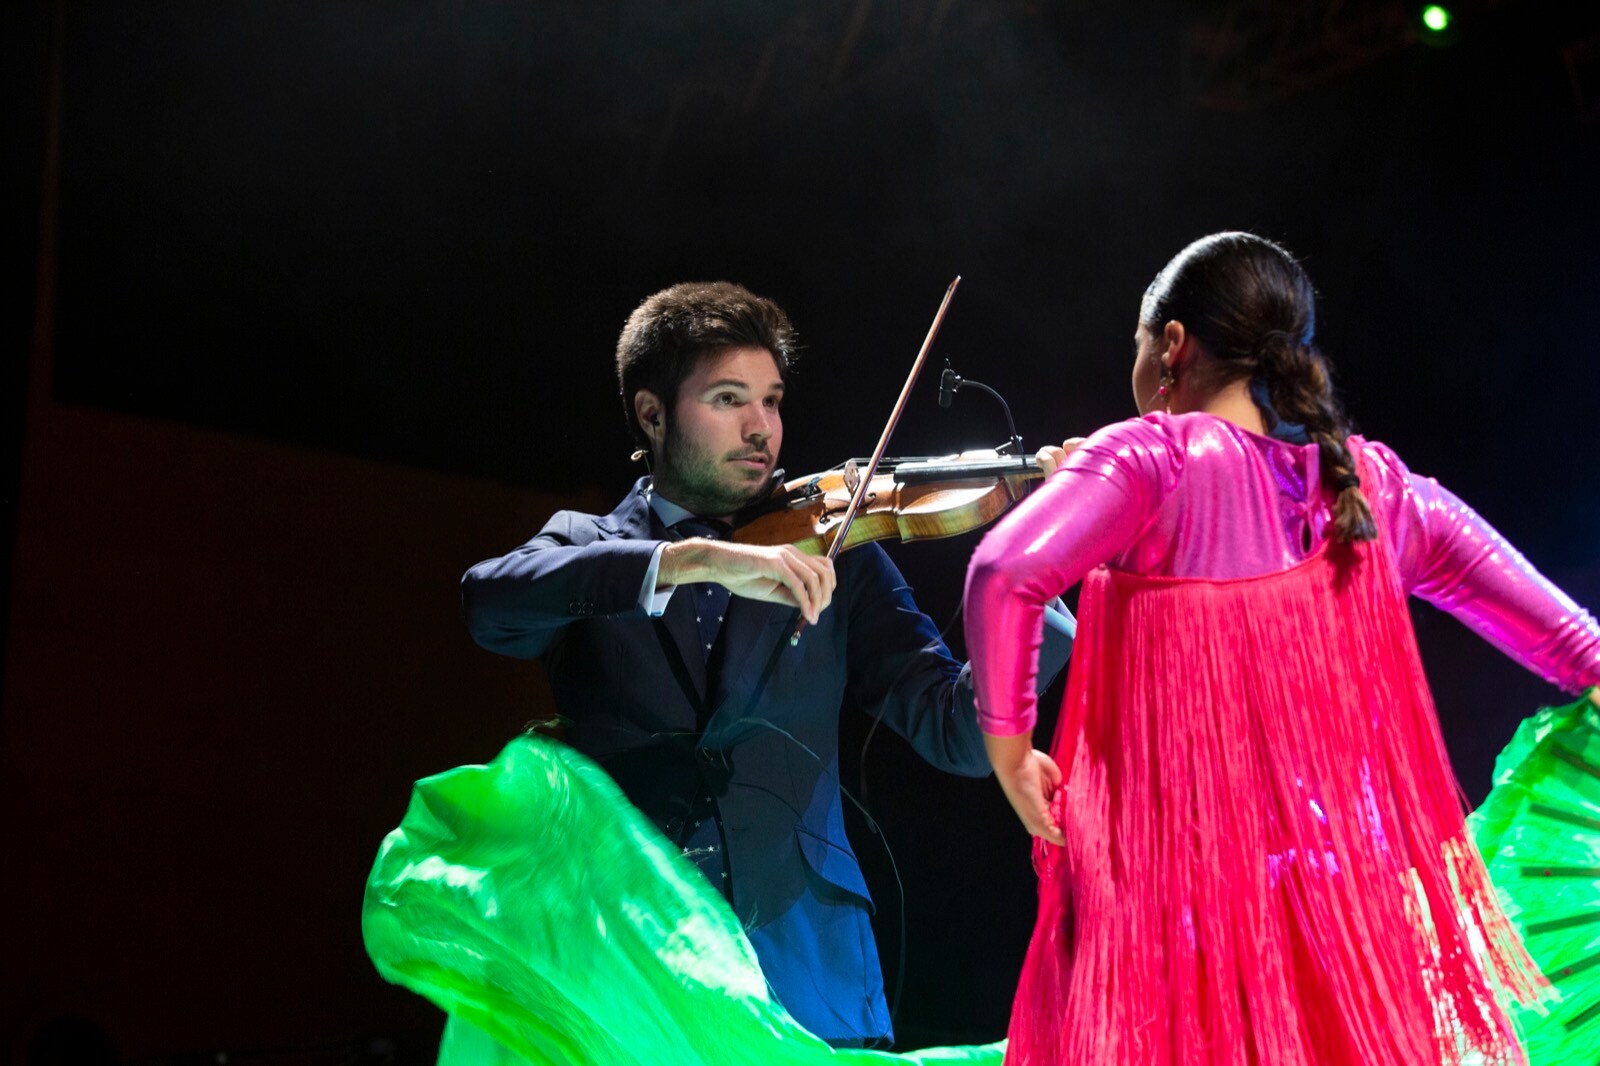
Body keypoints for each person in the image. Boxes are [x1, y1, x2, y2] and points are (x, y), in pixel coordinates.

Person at [963, 232, 1600, 1064]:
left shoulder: (1152, 457)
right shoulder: (1368, 488)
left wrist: (1010, 754)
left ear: (1172, 347)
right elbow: (1575, 644)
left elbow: (1004, 572)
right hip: (1341, 917)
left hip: (1181, 926)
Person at [459, 280, 1075, 1048]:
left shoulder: (834, 548)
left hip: (805, 962)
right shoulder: (591, 547)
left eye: (773, 401)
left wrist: (1042, 579)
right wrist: (683, 562)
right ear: (653, 414)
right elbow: (489, 603)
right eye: (727, 399)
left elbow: (953, 729)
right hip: (626, 956)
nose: (762, 430)